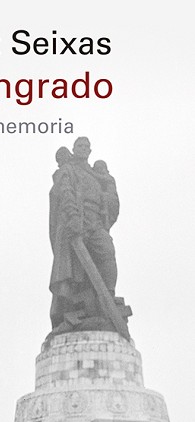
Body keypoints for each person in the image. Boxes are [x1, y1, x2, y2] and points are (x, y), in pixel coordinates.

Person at [48, 137, 119, 332]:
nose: (83, 149)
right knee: (75, 269)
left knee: (107, 253)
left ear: (90, 150)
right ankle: (74, 309)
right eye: (79, 146)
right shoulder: (69, 169)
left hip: (96, 222)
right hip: (77, 221)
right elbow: (65, 191)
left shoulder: (96, 175)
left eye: (86, 146)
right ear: (74, 149)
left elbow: (110, 201)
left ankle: (108, 296)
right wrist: (72, 216)